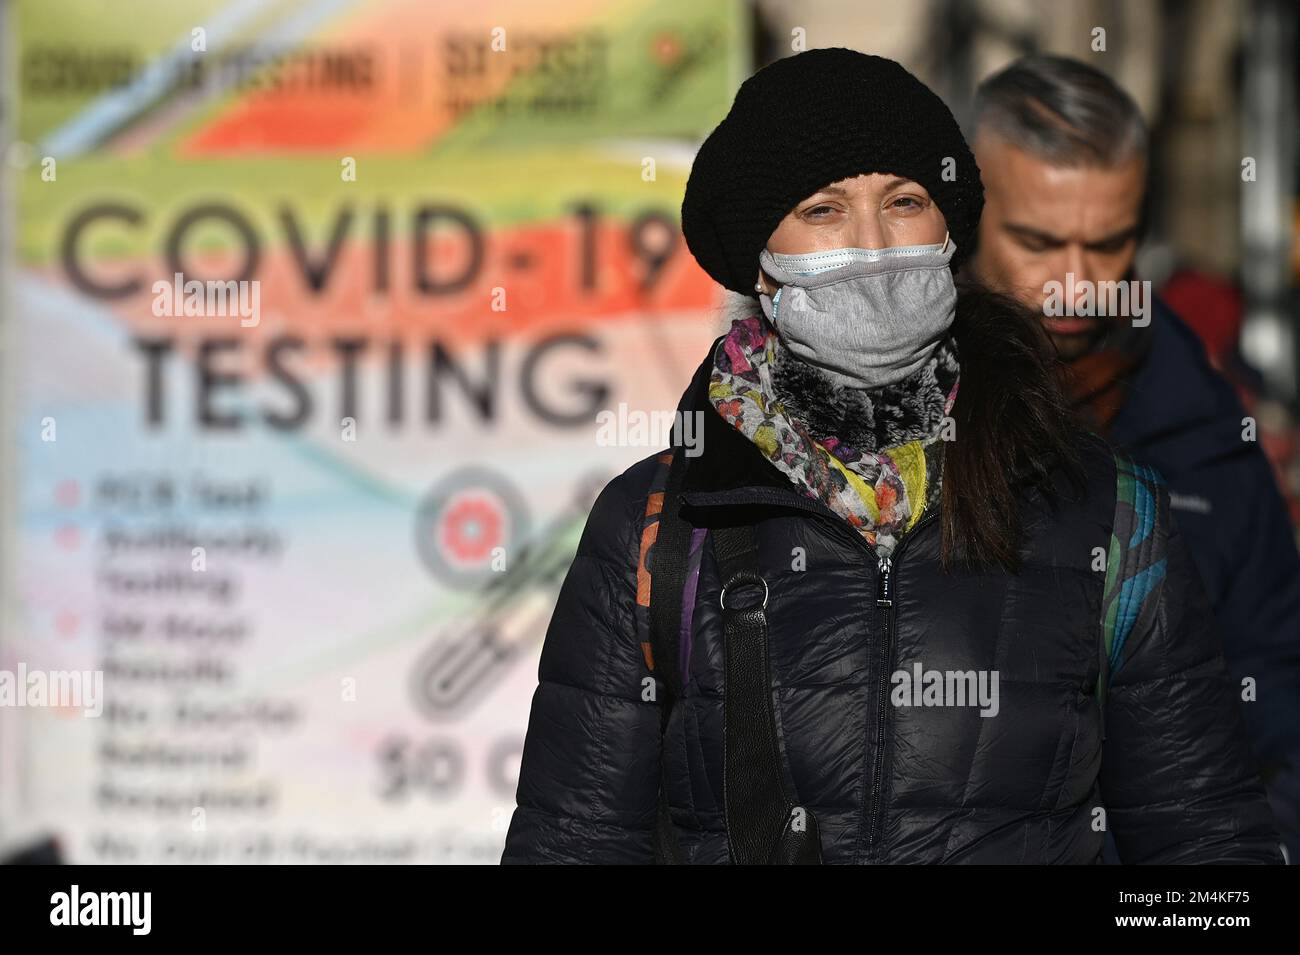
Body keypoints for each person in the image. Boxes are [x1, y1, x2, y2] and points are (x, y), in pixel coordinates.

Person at [500, 48, 1283, 864]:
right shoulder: (659, 528)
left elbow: (1209, 858)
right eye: (823, 210)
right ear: (759, 263)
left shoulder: (1109, 511)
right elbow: (573, 844)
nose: (873, 245)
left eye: (905, 202)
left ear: (950, 231)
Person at [967, 54, 1300, 862]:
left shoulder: (1209, 432)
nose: (1078, 285)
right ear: (965, 213)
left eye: (1109, 242)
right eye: (1038, 242)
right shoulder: (887, 420)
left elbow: (1281, 707)